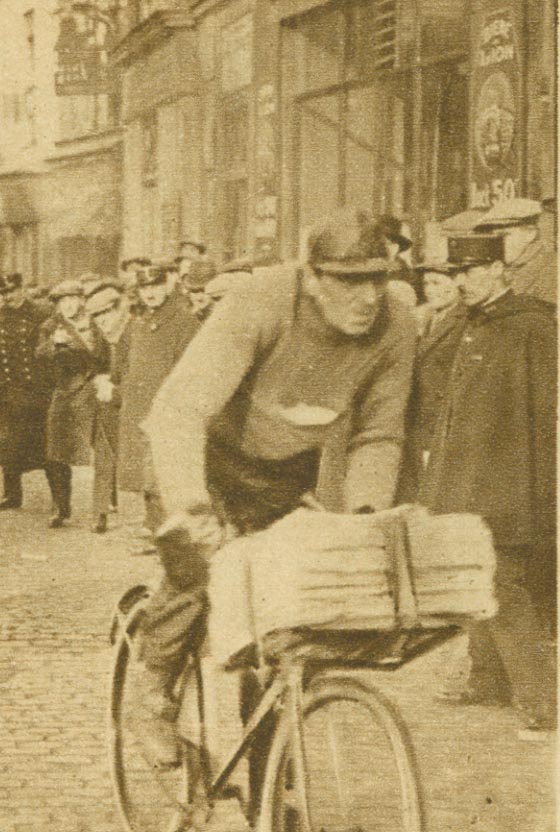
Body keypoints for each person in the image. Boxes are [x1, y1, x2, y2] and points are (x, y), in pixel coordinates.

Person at [129, 211, 417, 768]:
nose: (368, 298)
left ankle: (270, 767)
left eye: (378, 278)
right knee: (198, 577)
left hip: (282, 473)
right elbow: (181, 411)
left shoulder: (396, 323)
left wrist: (362, 516)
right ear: (312, 276)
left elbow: (379, 433)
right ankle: (152, 695)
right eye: (349, 281)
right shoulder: (259, 303)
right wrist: (192, 508)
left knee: (292, 607)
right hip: (199, 459)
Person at [408, 231, 557, 736]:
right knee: (473, 575)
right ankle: (488, 678)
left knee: (503, 583)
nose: (461, 282)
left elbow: (545, 414)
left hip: (510, 482)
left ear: (498, 270)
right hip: (466, 479)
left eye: (470, 271)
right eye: (456, 273)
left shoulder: (531, 326)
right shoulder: (475, 323)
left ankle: (541, 697)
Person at [116, 262, 200, 541]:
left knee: (164, 467)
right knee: (145, 467)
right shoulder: (137, 321)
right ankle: (153, 522)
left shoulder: (184, 321)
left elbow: (191, 369)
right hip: (138, 406)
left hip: (166, 406)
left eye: (155, 286)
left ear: (167, 286)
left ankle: (165, 527)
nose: (150, 293)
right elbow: (123, 360)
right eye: (144, 288)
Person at [0, 273, 59, 512]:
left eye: (12, 291)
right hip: (9, 394)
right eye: (4, 293)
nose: (8, 297)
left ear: (22, 290)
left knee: (48, 447)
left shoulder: (42, 314)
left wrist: (49, 384)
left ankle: (59, 500)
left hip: (38, 393)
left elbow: (54, 351)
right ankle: (11, 495)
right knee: (9, 447)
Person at [36, 280, 104, 528]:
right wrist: (54, 343)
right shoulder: (51, 327)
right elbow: (39, 354)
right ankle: (60, 507)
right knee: (56, 452)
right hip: (66, 392)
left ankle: (101, 510)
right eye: (62, 301)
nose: (67, 305)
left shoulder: (96, 320)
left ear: (81, 300)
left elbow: (107, 353)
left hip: (96, 390)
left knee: (102, 452)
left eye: (72, 299)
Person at [84, 283, 130, 533]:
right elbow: (96, 365)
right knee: (103, 457)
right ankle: (99, 512)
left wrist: (115, 389)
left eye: (105, 313)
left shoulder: (133, 334)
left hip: (131, 406)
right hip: (107, 404)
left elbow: (141, 377)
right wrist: (100, 380)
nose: (101, 320)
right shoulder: (103, 337)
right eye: (96, 316)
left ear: (117, 310)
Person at [474, 197, 556, 306]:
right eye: (490, 237)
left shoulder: (552, 270)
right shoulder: (503, 267)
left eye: (502, 235)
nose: (495, 243)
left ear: (530, 233)